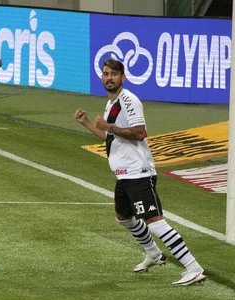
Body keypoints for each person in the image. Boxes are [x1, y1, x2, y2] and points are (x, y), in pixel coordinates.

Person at [74, 58, 205, 286]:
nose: (109, 78)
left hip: (138, 173)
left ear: (123, 77)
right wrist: (87, 123)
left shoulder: (128, 100)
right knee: (123, 217)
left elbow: (139, 133)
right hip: (124, 174)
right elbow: (110, 138)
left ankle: (193, 267)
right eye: (105, 73)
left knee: (154, 221)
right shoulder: (111, 103)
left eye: (114, 74)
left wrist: (109, 126)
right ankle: (154, 254)